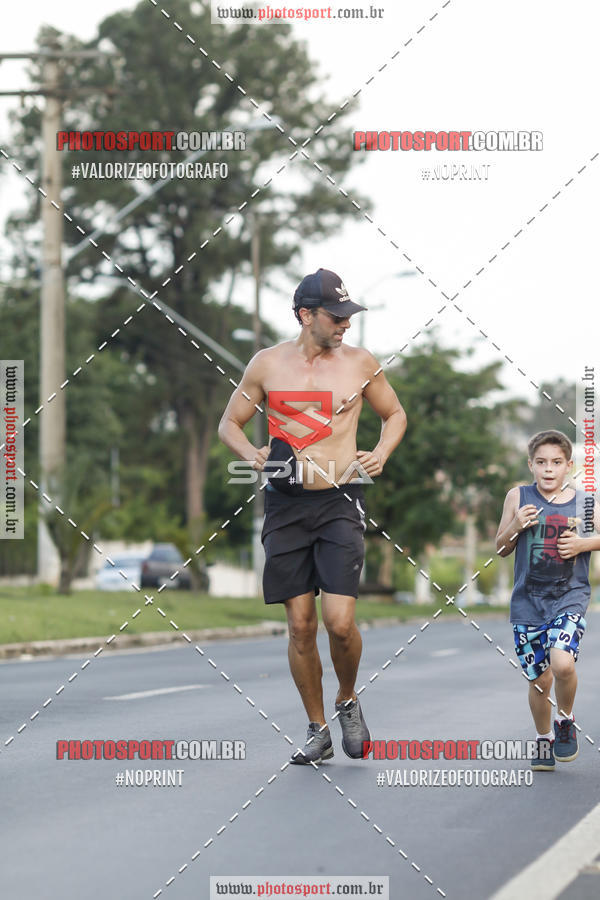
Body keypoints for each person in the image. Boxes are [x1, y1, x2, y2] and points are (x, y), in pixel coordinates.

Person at [218, 268, 407, 764]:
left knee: (339, 623)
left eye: (348, 316)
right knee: (301, 626)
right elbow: (229, 423)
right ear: (306, 315)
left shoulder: (361, 363)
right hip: (286, 504)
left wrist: (381, 452)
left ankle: (347, 698)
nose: (345, 324)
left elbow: (395, 414)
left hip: (340, 500)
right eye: (336, 316)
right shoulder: (266, 365)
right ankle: (317, 728)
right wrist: (252, 454)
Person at [495, 429, 600, 771]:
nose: (549, 469)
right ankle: (544, 738)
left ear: (569, 466)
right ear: (531, 465)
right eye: (541, 462)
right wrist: (515, 525)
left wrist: (584, 544)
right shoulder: (518, 496)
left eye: (556, 462)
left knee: (562, 664)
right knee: (540, 681)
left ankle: (565, 719)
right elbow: (500, 548)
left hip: (569, 597)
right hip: (527, 603)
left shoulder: (584, 502)